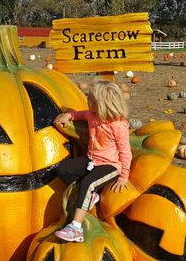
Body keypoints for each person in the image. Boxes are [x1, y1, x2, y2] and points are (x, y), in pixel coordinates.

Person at [52, 81, 132, 242]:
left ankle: (75, 228)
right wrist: (69, 115)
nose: (87, 101)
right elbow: (79, 114)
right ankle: (89, 196)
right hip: (92, 160)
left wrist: (124, 176)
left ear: (103, 105)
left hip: (111, 166)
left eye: (91, 99)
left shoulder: (118, 126)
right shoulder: (91, 115)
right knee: (63, 169)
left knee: (87, 184)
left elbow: (125, 152)